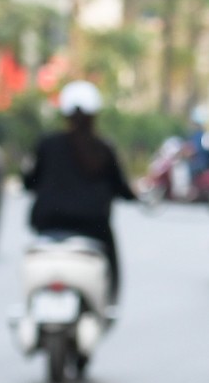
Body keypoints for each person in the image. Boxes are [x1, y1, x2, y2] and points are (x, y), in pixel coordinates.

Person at [22, 81, 136, 302]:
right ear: (95, 114)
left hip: (48, 225)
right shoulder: (103, 148)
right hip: (92, 228)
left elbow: (29, 181)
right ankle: (109, 302)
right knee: (110, 263)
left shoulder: (47, 145)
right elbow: (122, 189)